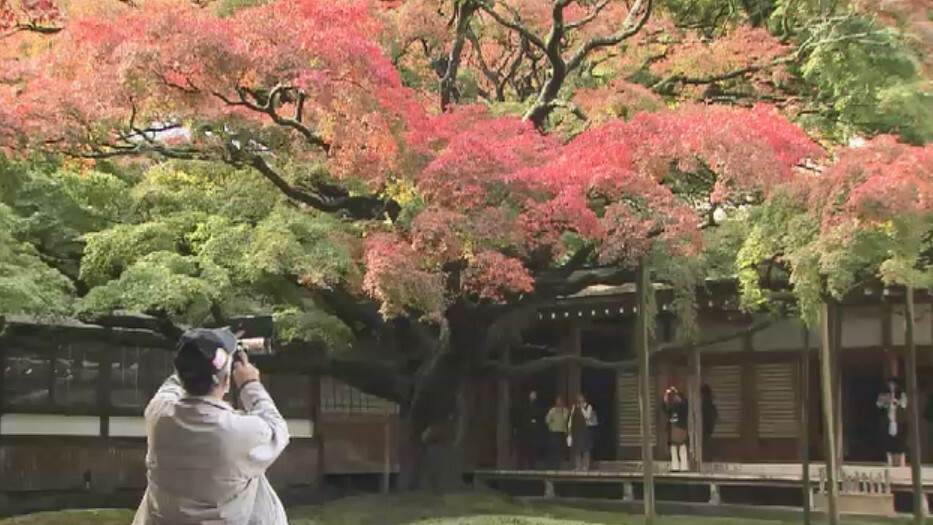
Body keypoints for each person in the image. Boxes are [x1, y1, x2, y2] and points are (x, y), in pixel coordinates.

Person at [132, 328, 290, 525]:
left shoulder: (158, 415)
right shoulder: (236, 432)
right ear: (226, 380)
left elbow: (173, 384)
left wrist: (200, 347)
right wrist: (250, 384)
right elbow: (277, 428)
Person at [876, 377, 908, 466]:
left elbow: (904, 405)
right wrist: (887, 400)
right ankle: (889, 461)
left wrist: (897, 402)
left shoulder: (902, 394)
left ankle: (901, 462)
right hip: (888, 421)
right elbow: (878, 404)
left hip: (899, 421)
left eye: (893, 385)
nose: (892, 387)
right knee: (888, 441)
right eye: (890, 385)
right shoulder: (883, 394)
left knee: (901, 442)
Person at [513, 390, 546, 469]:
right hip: (523, 431)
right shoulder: (523, 405)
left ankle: (531, 466)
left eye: (534, 395)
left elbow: (540, 416)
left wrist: (535, 422)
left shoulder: (538, 405)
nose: (533, 396)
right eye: (532, 394)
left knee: (531, 450)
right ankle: (520, 466)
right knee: (522, 450)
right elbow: (518, 418)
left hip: (532, 432)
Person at [663, 386, 690, 472]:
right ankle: (676, 467)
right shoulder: (674, 407)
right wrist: (666, 397)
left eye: (676, 397)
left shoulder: (683, 406)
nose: (675, 399)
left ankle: (682, 466)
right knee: (675, 448)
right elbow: (666, 409)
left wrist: (674, 391)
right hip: (675, 429)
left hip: (679, 429)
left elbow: (685, 403)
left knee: (681, 448)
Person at [567, 394, 597, 471]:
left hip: (585, 431)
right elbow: (571, 418)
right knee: (577, 449)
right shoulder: (574, 407)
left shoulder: (588, 407)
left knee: (586, 449)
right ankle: (577, 466)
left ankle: (585, 467)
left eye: (580, 401)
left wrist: (582, 409)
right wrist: (569, 429)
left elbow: (587, 416)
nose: (579, 403)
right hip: (577, 430)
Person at [545, 396, 570, 469]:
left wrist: (561, 412)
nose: (559, 402)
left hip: (562, 432)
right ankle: (553, 466)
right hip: (553, 432)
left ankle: (561, 466)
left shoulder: (565, 410)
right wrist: (552, 417)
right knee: (553, 450)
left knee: (562, 450)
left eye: (560, 401)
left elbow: (566, 418)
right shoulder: (552, 411)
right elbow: (547, 420)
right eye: (557, 401)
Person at [701, 384, 718, 461]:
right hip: (708, 425)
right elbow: (715, 413)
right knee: (707, 440)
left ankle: (708, 457)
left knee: (706, 441)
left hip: (705, 425)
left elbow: (706, 413)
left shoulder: (706, 401)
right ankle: (709, 456)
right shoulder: (711, 401)